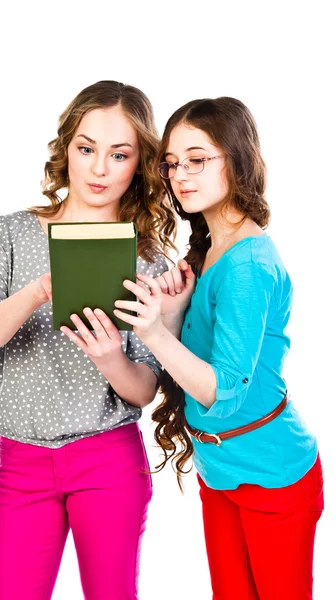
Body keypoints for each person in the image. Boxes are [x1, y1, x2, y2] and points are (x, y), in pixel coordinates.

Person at [0, 80, 176, 600]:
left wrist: (109, 358)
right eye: (87, 149)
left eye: (119, 154)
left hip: (108, 461)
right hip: (22, 464)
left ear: (139, 163)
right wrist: (34, 294)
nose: (100, 169)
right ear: (67, 150)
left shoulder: (148, 259)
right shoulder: (13, 233)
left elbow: (145, 391)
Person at [113, 97, 324, 600]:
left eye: (198, 158)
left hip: (273, 475)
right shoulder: (211, 247)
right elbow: (198, 361)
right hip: (221, 470)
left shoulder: (248, 265)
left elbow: (225, 389)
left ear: (237, 157)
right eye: (172, 162)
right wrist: (172, 315)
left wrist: (154, 333)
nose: (180, 174)